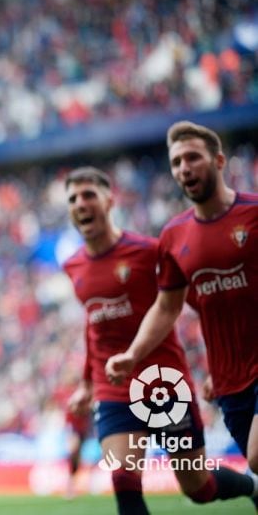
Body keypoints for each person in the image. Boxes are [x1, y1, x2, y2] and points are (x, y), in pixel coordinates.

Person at [62, 166, 256, 514]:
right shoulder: (73, 266)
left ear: (109, 200)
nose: (80, 203)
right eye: (73, 198)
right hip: (115, 387)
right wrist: (87, 383)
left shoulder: (148, 251)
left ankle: (252, 487)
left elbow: (198, 302)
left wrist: (220, 362)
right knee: (123, 479)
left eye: (88, 194)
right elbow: (93, 327)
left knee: (199, 486)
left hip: (163, 381)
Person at [106, 121, 258, 508]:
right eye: (176, 162)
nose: (184, 168)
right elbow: (167, 305)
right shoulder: (174, 237)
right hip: (228, 378)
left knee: (257, 457)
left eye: (193, 157)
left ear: (218, 160)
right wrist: (133, 354)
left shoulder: (254, 215)